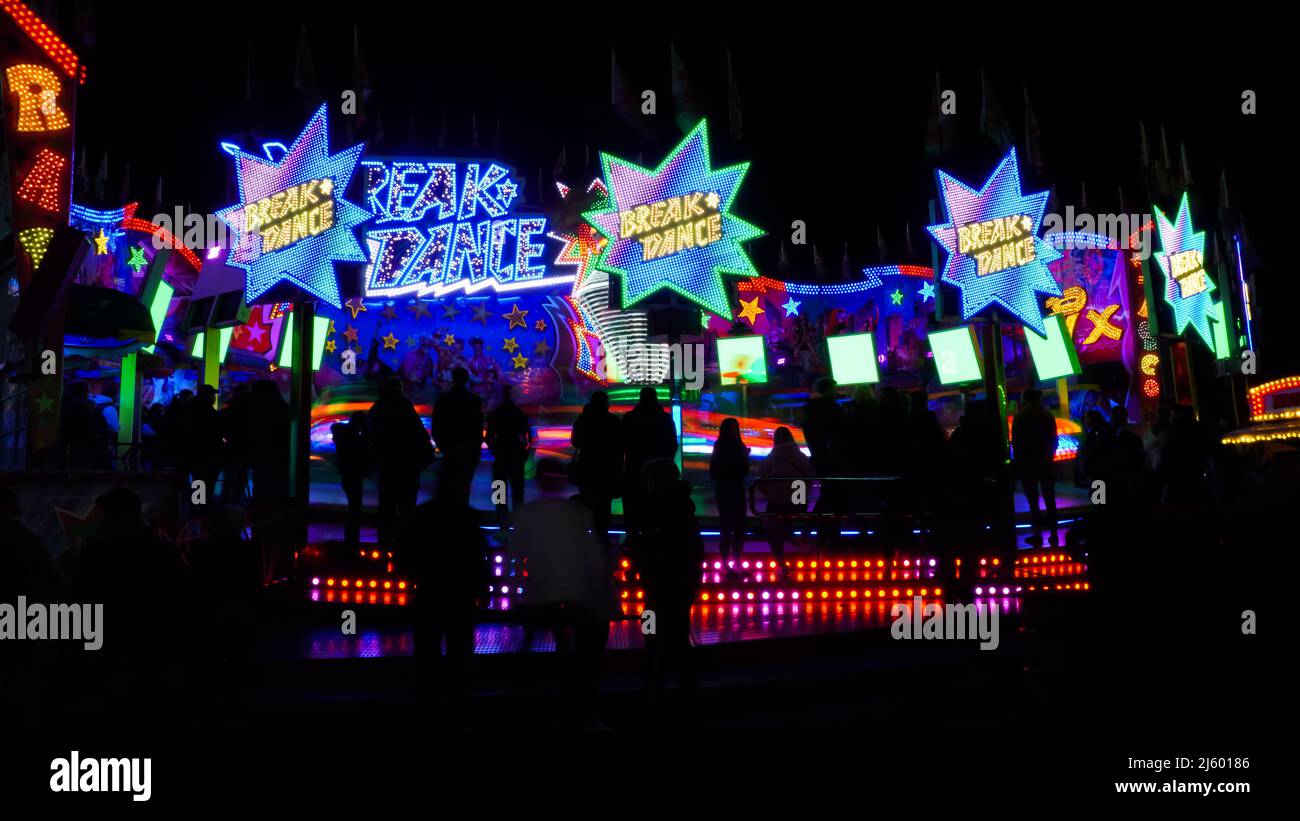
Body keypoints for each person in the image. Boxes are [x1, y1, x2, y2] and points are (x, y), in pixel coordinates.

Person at [509, 458, 613, 724]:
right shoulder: (578, 513)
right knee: (571, 650)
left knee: (530, 646)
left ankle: (523, 706)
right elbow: (593, 557)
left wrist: (516, 592)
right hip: (574, 593)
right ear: (564, 479)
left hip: (539, 593)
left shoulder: (527, 513)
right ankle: (576, 707)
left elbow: (516, 555)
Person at [402, 486, 487, 720]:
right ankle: (458, 708)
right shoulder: (468, 516)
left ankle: (426, 706)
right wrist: (482, 588)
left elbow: (405, 553)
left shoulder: (422, 514)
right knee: (459, 653)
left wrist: (413, 578)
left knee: (427, 651)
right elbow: (479, 555)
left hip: (429, 593)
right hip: (460, 596)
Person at [637, 459, 704, 700]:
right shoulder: (683, 507)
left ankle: (654, 688)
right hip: (680, 583)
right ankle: (686, 690)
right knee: (678, 634)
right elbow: (695, 548)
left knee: (652, 631)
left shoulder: (656, 509)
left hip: (659, 584)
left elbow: (651, 546)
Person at [370, 377, 434, 545]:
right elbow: (418, 434)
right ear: (399, 388)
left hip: (387, 465)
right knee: (406, 508)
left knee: (386, 508)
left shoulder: (377, 408)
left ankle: (384, 545)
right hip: (406, 465)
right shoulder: (404, 406)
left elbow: (373, 438)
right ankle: (405, 546)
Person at [621, 387, 678, 539]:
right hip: (659, 471)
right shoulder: (665, 419)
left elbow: (623, 443)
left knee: (634, 506)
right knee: (657, 507)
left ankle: (633, 542)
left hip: (635, 469)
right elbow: (672, 443)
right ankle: (655, 541)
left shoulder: (630, 418)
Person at [755, 426, 814, 569]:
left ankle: (781, 562)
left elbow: (759, 476)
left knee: (773, 531)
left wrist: (770, 492)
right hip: (797, 501)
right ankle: (791, 535)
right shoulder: (799, 455)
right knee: (788, 518)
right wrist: (800, 497)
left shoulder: (773, 456)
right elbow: (811, 475)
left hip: (778, 501)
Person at [570, 391, 624, 544]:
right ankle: (601, 538)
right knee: (604, 506)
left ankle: (584, 538)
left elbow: (575, 442)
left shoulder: (583, 420)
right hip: (607, 470)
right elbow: (621, 446)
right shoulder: (613, 421)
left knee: (586, 503)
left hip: (587, 468)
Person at [1013, 389, 1059, 547]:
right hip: (1046, 462)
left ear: (1025, 398)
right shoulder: (1047, 415)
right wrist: (1050, 457)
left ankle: (1037, 533)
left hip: (1028, 463)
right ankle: (1054, 533)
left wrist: (1018, 464)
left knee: (1032, 500)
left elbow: (1017, 442)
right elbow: (1054, 439)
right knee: (1050, 498)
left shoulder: (1020, 416)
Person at [431, 367, 484, 506]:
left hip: (450, 450)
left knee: (450, 486)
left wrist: (443, 447)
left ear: (453, 379)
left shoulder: (443, 400)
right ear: (466, 379)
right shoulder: (474, 400)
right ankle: (462, 518)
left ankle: (451, 520)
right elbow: (479, 425)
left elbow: (436, 426)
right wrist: (475, 448)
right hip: (469, 451)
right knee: (464, 486)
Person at [485, 385, 532, 529]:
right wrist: (524, 453)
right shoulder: (519, 413)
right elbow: (528, 436)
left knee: (499, 493)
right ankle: (518, 526)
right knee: (518, 493)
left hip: (500, 458)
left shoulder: (495, 414)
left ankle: (502, 525)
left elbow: (488, 437)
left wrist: (495, 451)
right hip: (516, 457)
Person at [709, 417, 750, 572]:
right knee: (737, 526)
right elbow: (743, 470)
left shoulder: (719, 445)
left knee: (727, 527)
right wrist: (744, 457)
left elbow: (714, 470)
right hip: (734, 487)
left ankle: (727, 563)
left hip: (724, 488)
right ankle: (735, 561)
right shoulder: (739, 446)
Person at [331, 411, 371, 547]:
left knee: (353, 507)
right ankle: (352, 539)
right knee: (355, 508)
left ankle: (351, 539)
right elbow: (363, 452)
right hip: (353, 476)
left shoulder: (343, 434)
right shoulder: (355, 438)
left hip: (347, 475)